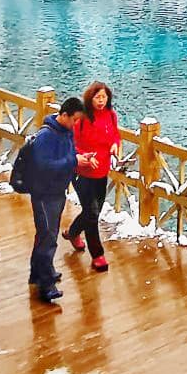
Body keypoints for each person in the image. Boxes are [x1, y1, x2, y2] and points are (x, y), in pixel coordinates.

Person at [10, 96, 87, 306]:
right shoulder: (46, 136)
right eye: (75, 120)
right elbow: (44, 165)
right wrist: (73, 161)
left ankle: (38, 273)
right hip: (44, 193)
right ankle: (46, 286)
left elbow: (68, 154)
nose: (76, 125)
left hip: (57, 191)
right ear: (64, 115)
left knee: (45, 233)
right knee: (48, 237)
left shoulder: (65, 132)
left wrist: (79, 157)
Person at [66, 80, 123, 272]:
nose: (101, 101)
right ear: (90, 98)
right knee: (91, 213)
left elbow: (115, 135)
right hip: (81, 172)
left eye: (104, 97)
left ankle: (73, 232)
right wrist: (84, 157)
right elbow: (70, 144)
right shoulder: (81, 118)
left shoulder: (111, 115)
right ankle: (98, 255)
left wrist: (114, 145)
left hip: (102, 171)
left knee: (94, 211)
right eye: (97, 97)